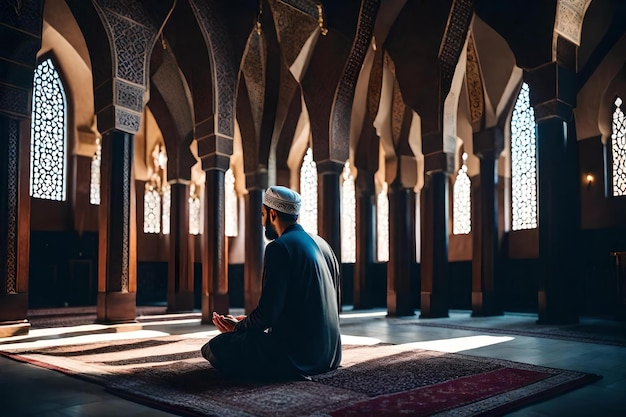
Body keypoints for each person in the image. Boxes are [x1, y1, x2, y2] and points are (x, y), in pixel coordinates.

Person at [201, 185, 342, 382]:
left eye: (262, 214)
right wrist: (247, 322)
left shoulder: (279, 247)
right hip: (331, 356)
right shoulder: (322, 244)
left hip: (300, 358)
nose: (262, 221)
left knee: (215, 346)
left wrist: (237, 328)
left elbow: (268, 314)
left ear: (272, 214)